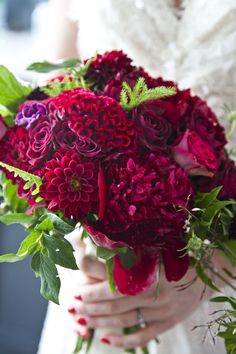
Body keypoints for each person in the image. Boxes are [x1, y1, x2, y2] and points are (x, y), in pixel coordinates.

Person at [37, 1, 236, 353]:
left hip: (217, 294)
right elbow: (43, 115)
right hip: (98, 284)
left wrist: (212, 274)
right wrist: (71, 243)